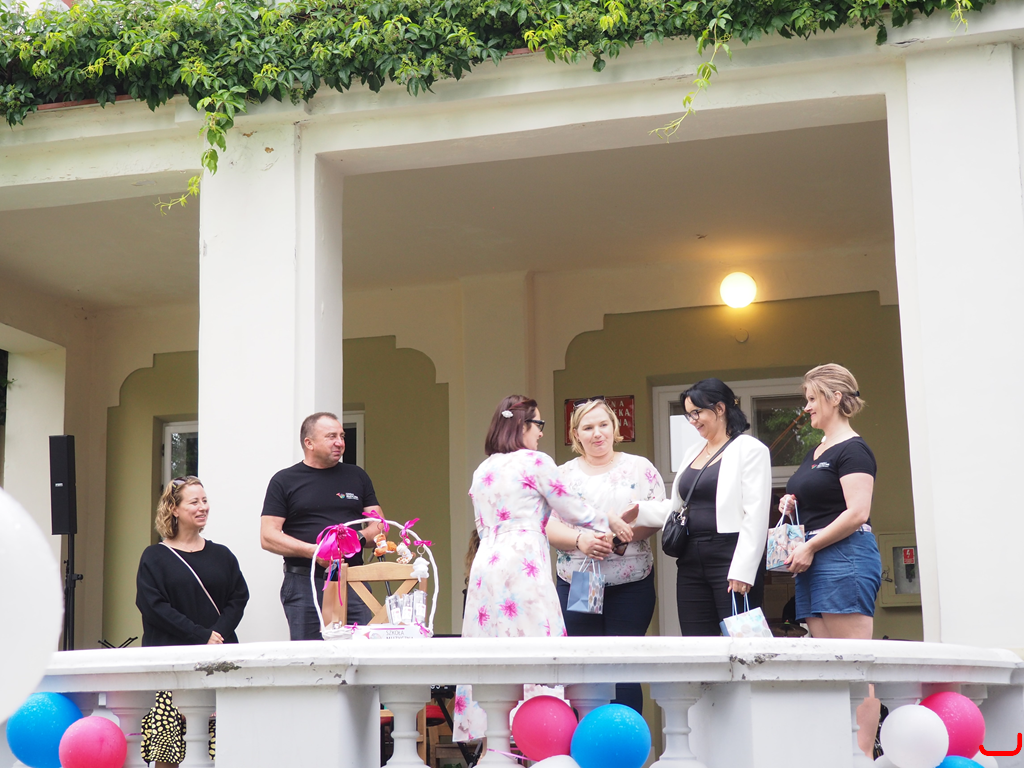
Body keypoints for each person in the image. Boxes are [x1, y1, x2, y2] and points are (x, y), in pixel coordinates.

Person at [778, 363, 881, 755]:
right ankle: (839, 754)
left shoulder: (853, 449)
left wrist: (809, 546)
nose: (806, 407)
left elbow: (857, 512)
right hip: (815, 560)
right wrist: (792, 503)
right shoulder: (816, 449)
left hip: (844, 557)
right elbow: (824, 501)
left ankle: (862, 755)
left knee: (853, 665)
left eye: (811, 398)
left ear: (835, 398)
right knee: (829, 665)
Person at [463, 395, 621, 638]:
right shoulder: (536, 461)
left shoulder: (482, 469)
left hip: (486, 563)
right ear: (521, 425)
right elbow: (571, 509)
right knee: (534, 639)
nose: (541, 433)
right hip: (522, 560)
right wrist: (607, 520)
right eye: (539, 424)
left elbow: (481, 525)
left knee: (494, 641)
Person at [546, 397, 665, 713]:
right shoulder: (562, 475)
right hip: (578, 583)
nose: (597, 433)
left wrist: (618, 538)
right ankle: (586, 740)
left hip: (631, 586)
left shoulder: (640, 468)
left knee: (623, 669)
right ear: (576, 434)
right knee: (583, 668)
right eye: (588, 427)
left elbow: (657, 515)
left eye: (603, 425)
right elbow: (548, 526)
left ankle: (624, 741)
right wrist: (581, 540)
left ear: (614, 427)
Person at [626, 378, 771, 635]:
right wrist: (639, 511)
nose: (692, 421)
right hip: (691, 557)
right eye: (688, 415)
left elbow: (756, 514)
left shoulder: (750, 449)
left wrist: (744, 569)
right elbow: (679, 507)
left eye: (697, 412)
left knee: (742, 641)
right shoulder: (693, 451)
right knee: (697, 641)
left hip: (730, 555)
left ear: (720, 408)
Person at [135, 476, 249, 767]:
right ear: (174, 509)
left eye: (205, 501)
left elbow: (239, 598)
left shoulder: (222, 555)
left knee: (222, 749)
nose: (203, 507)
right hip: (171, 665)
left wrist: (217, 634)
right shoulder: (154, 557)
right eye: (194, 502)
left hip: (218, 661)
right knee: (168, 751)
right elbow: (154, 608)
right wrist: (201, 635)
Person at [260, 412, 384, 640]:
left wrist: (355, 539)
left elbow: (380, 526)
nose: (340, 442)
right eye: (331, 436)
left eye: (342, 436)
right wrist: (316, 552)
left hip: (353, 580)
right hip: (305, 583)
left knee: (363, 651)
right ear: (309, 443)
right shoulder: (284, 480)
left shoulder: (357, 476)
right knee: (310, 655)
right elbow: (268, 536)